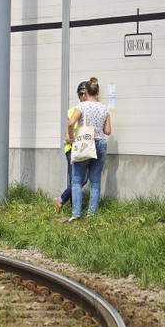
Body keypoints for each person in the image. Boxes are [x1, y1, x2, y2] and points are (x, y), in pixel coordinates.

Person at [65, 77, 111, 221]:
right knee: (95, 181)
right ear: (97, 91)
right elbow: (108, 131)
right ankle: (91, 214)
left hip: (85, 142)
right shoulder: (104, 108)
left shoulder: (82, 106)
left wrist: (70, 138)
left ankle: (76, 214)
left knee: (77, 180)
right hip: (100, 143)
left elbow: (71, 123)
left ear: (86, 92)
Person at [53, 81, 89, 214]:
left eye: (85, 94)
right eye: (81, 94)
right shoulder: (73, 111)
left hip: (84, 149)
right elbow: (67, 130)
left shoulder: (91, 109)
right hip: (72, 149)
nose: (83, 97)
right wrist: (70, 140)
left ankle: (62, 201)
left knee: (81, 179)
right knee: (77, 179)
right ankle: (69, 205)